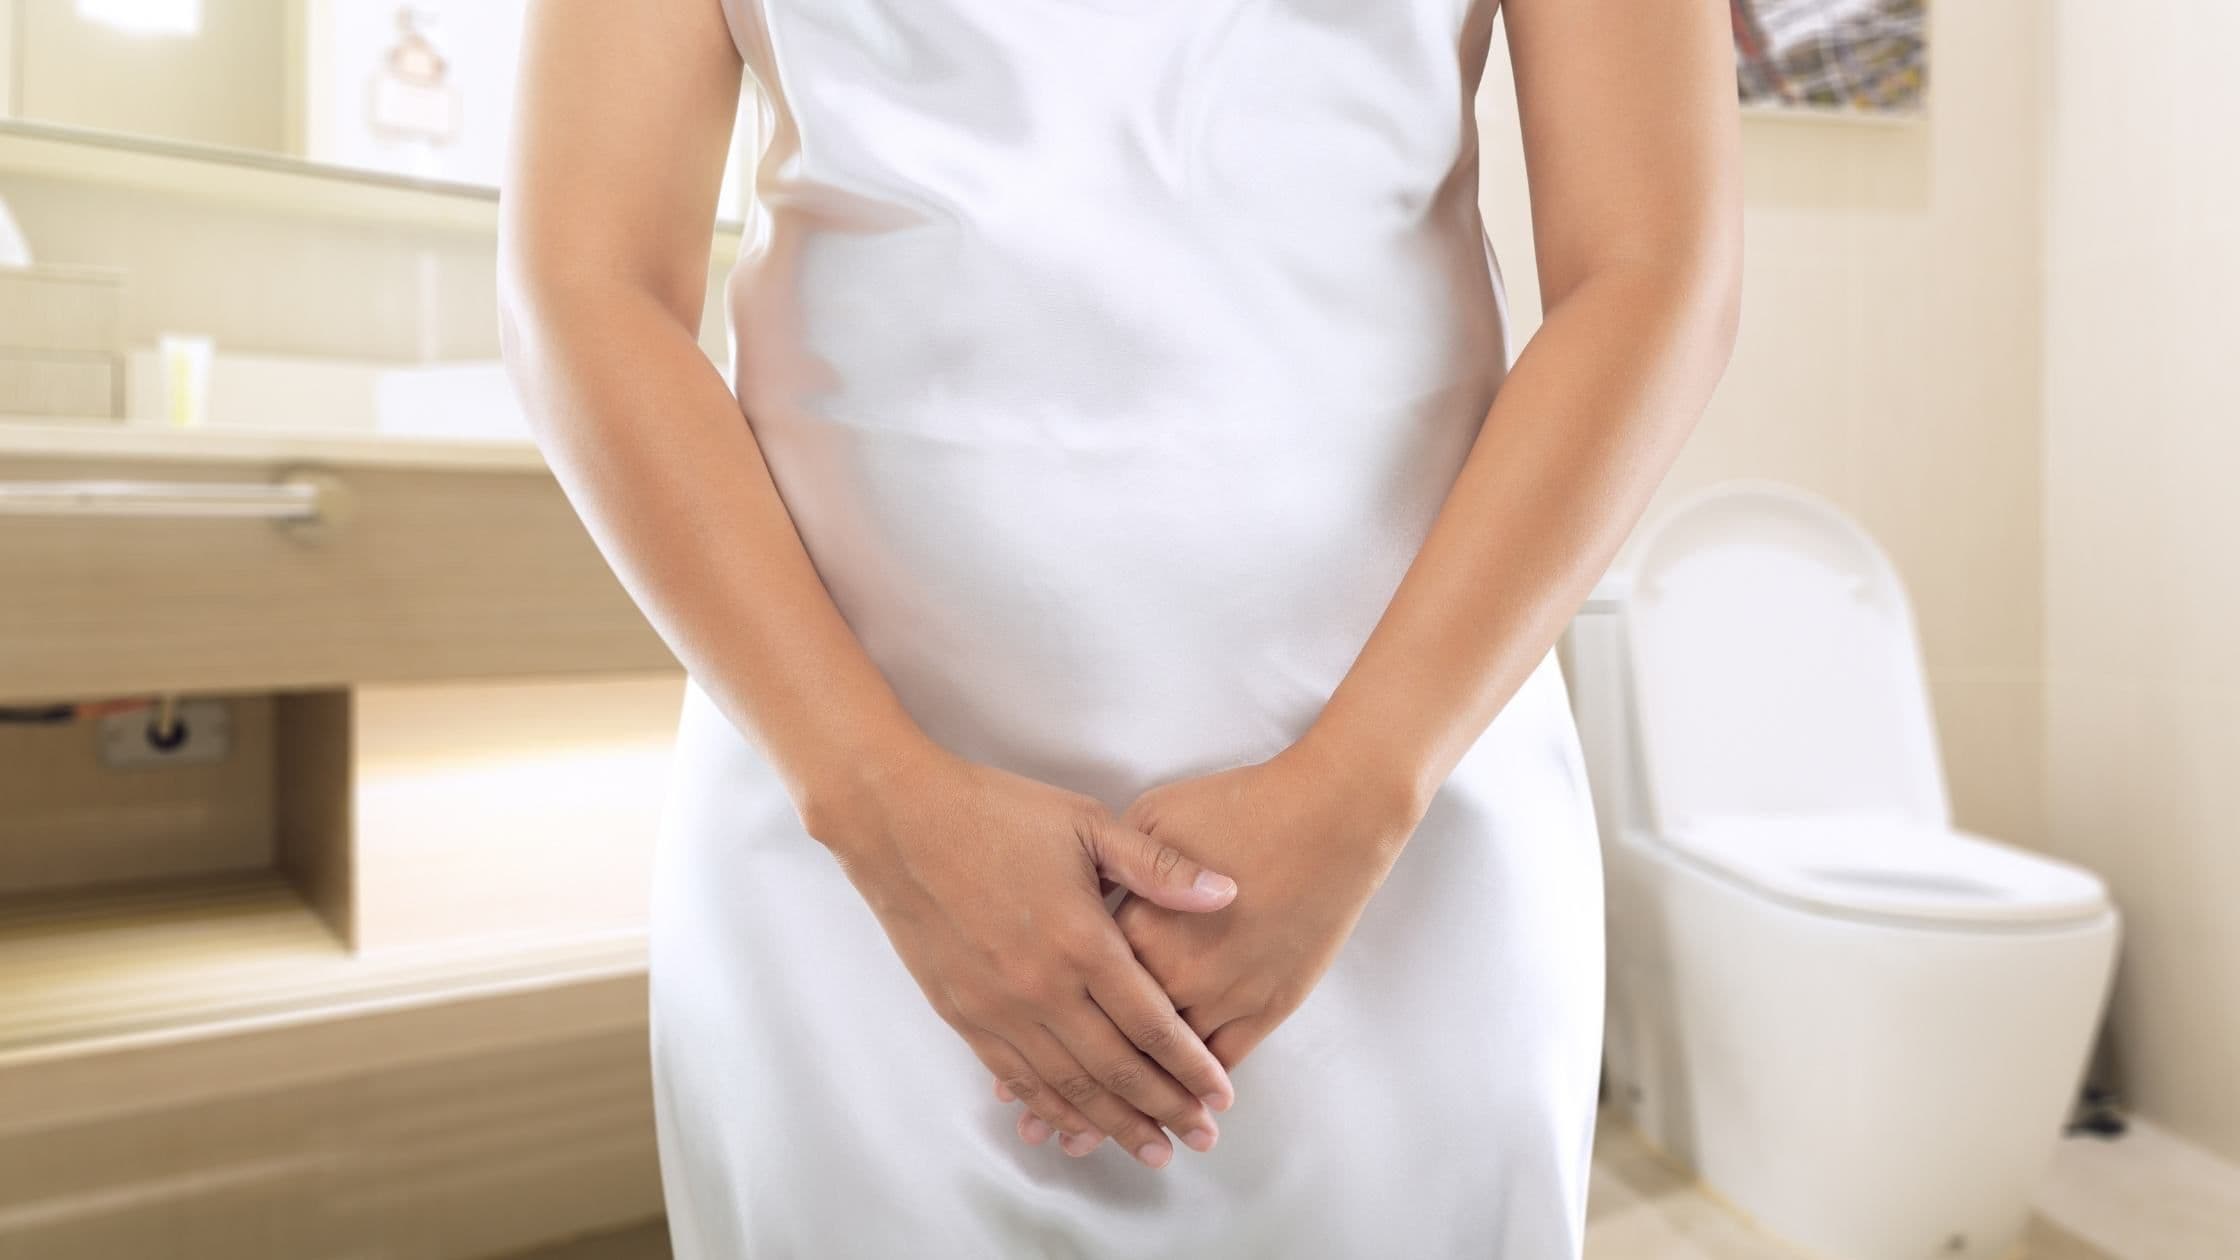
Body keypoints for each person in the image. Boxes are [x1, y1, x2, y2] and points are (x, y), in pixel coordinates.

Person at [498, 1, 1740, 1254]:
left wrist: (1364, 786)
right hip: (845, 842)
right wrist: (873, 802)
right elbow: (583, 279)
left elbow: (1651, 268)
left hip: (1400, 817)